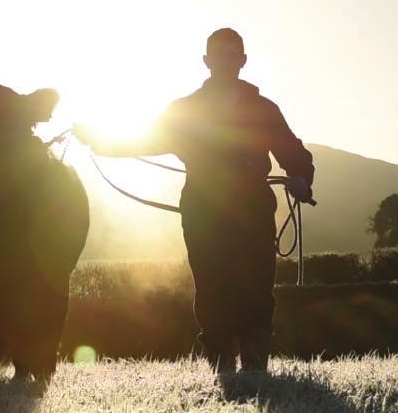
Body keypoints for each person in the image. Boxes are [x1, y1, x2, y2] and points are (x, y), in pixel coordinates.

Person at [74, 28, 314, 374]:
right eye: (220, 56)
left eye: (232, 56)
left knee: (257, 288)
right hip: (205, 212)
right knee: (211, 288)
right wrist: (98, 139)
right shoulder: (187, 110)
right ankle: (223, 368)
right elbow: (142, 139)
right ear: (207, 61)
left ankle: (254, 369)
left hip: (250, 210)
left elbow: (293, 153)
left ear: (243, 61)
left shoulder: (262, 110)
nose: (226, 63)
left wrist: (302, 178)